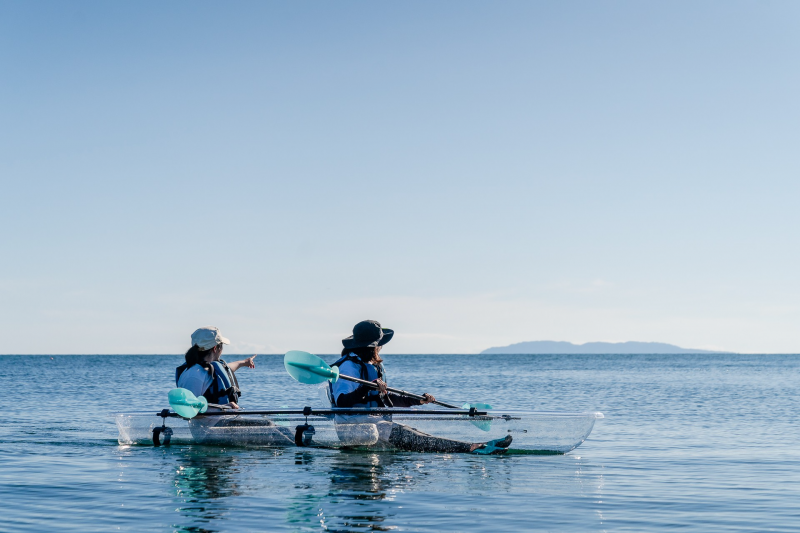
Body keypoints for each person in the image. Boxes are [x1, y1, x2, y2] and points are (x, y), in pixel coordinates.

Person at [330, 320, 512, 454]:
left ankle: (475, 445)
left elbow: (387, 399)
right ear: (373, 346)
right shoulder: (347, 367)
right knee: (416, 438)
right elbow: (341, 401)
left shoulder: (367, 364)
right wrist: (367, 388)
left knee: (416, 433)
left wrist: (417, 400)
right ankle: (472, 448)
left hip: (372, 424)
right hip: (355, 428)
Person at [176, 326, 256, 409]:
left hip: (223, 420)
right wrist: (222, 407)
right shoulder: (193, 375)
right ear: (215, 348)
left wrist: (244, 362)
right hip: (206, 422)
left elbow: (226, 369)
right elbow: (188, 409)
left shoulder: (207, 369)